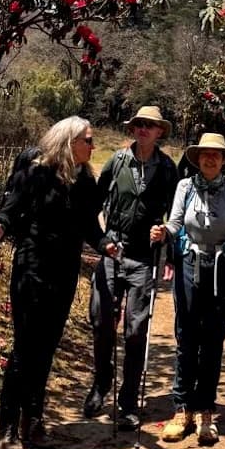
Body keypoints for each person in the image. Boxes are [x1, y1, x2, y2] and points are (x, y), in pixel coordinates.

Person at [0, 116, 118, 449]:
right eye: (87, 140)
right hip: (32, 268)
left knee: (46, 348)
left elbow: (90, 226)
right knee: (24, 348)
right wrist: (0, 225)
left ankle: (34, 420)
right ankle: (8, 428)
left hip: (64, 272)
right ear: (69, 142)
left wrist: (105, 245)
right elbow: (11, 209)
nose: (92, 144)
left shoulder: (85, 181)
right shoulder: (36, 172)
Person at [150, 133, 225, 445]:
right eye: (205, 154)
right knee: (187, 334)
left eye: (216, 155)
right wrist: (163, 231)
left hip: (223, 267)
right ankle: (183, 409)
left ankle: (206, 410)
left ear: (223, 161)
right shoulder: (185, 186)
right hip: (189, 265)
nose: (209, 159)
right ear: (197, 158)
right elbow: (176, 222)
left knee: (213, 337)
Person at [83, 105, 178, 430]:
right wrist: (99, 240)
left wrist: (165, 236)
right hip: (113, 250)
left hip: (144, 257)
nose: (143, 129)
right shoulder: (117, 160)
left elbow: (175, 215)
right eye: (138, 124)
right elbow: (93, 206)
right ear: (132, 129)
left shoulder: (168, 169)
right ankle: (101, 382)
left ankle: (127, 401)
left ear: (159, 132)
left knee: (136, 330)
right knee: (100, 319)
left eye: (149, 126)